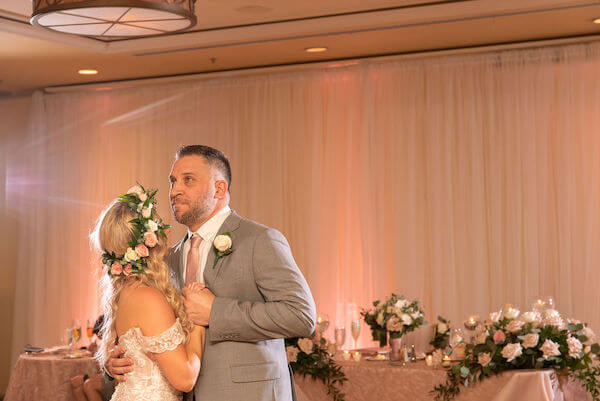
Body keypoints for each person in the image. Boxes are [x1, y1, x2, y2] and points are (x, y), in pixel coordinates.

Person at [107, 145, 316, 401]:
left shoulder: (260, 240)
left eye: (188, 180)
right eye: (173, 181)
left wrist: (216, 311)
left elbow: (301, 316)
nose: (174, 191)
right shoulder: (167, 258)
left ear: (219, 189)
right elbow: (146, 330)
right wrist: (117, 362)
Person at [92, 185, 205, 401]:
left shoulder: (125, 291)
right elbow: (185, 379)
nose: (166, 230)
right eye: (158, 223)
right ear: (150, 238)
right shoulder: (147, 297)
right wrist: (198, 322)